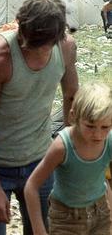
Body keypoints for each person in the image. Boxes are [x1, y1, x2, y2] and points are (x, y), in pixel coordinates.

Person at [0, 0, 79, 235]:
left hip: (39, 159)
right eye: (29, 45)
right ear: (20, 28)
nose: (37, 53)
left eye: (44, 47)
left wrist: (72, 155)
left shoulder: (66, 48)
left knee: (45, 230)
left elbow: (72, 99)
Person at [24, 82, 112, 235]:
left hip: (100, 212)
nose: (98, 135)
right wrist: (38, 229)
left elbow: (104, 179)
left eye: (105, 127)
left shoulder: (109, 141)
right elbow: (31, 186)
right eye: (90, 126)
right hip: (66, 218)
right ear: (74, 117)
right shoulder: (62, 146)